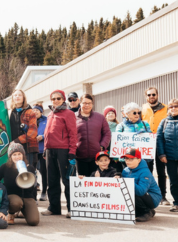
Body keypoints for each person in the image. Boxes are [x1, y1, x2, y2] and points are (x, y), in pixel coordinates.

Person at [41, 90, 77, 218]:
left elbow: (73, 134)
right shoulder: (50, 114)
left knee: (67, 180)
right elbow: (47, 133)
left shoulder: (68, 114)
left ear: (63, 99)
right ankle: (54, 207)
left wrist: (72, 152)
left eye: (58, 98)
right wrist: (45, 148)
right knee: (52, 180)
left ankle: (72, 208)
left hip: (63, 150)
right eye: (53, 99)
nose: (55, 101)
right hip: (50, 150)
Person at [0, 143, 39, 226]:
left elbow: (33, 187)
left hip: (27, 196)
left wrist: (34, 199)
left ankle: (22, 212)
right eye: (14, 154)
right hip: (12, 196)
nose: (17, 157)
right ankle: (11, 213)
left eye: (19, 154)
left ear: (23, 155)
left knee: (34, 221)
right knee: (16, 203)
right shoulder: (4, 167)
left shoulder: (29, 168)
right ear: (10, 156)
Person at [142, 87, 170, 205]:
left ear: (157, 95)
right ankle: (149, 194)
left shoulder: (166, 108)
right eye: (149, 95)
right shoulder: (142, 109)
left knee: (161, 171)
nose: (151, 97)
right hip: (147, 143)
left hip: (161, 142)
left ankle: (163, 196)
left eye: (153, 94)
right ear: (146, 96)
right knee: (148, 170)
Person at [75, 94, 111, 177]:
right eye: (84, 103)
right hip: (80, 156)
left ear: (92, 104)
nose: (87, 105)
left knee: (96, 182)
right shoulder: (73, 117)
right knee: (83, 182)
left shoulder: (100, 117)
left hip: (96, 157)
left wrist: (102, 145)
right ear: (80, 103)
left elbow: (107, 133)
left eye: (89, 103)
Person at [121, 147, 161, 222]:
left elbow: (141, 191)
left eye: (131, 159)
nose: (128, 161)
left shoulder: (145, 172)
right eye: (126, 159)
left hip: (152, 198)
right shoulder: (125, 170)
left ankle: (146, 212)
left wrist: (128, 182)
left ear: (139, 159)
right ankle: (145, 211)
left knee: (132, 193)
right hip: (140, 195)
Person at [115, 103, 152, 171]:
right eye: (134, 113)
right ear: (127, 114)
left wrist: (144, 134)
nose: (137, 114)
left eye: (138, 112)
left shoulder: (145, 124)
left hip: (143, 159)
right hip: (127, 160)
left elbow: (150, 139)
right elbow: (117, 142)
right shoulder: (121, 126)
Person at [9, 89, 39, 167]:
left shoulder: (30, 112)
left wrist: (16, 141)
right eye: (15, 95)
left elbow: (32, 133)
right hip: (13, 149)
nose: (17, 97)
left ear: (23, 98)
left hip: (27, 148)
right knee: (14, 173)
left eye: (19, 95)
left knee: (28, 173)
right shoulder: (9, 112)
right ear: (12, 98)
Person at [104, 106, 122, 173]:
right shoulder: (102, 126)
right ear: (105, 116)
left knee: (117, 172)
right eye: (108, 113)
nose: (111, 114)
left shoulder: (120, 126)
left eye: (112, 113)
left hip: (117, 155)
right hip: (106, 153)